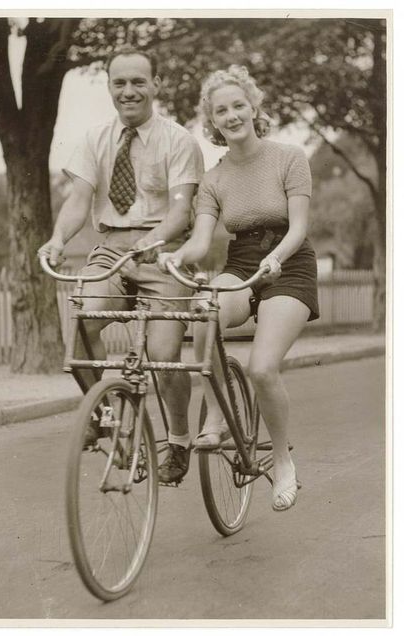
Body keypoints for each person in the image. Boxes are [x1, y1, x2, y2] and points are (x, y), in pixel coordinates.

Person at [38, 46, 204, 484]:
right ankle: (108, 417)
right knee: (79, 328)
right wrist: (57, 240)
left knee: (164, 355)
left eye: (138, 82)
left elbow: (181, 210)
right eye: (119, 83)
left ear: (156, 85)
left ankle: (180, 439)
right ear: (110, 87)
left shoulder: (179, 141)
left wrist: (153, 242)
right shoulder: (95, 139)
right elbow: (78, 200)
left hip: (162, 253)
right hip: (110, 250)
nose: (128, 91)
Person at [158, 65, 319, 511]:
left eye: (238, 106)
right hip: (243, 262)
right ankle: (218, 414)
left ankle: (283, 461)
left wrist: (277, 259)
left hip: (289, 263)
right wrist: (178, 256)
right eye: (221, 110)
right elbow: (201, 240)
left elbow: (300, 227)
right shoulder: (214, 178)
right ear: (212, 120)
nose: (231, 116)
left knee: (263, 368)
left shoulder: (289, 157)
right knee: (203, 308)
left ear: (254, 108)